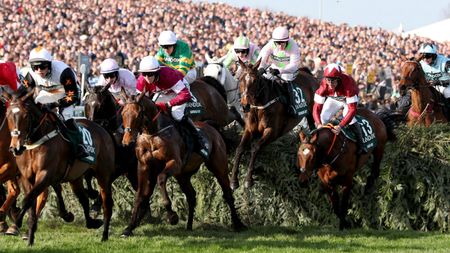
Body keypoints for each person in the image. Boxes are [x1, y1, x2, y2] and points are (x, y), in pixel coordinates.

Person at [136, 56, 208, 159]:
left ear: (156, 72)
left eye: (150, 74)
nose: (147, 77)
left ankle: (199, 140)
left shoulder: (168, 75)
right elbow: (139, 101)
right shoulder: (141, 80)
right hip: (162, 92)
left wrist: (168, 104)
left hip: (179, 91)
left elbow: (185, 94)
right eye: (144, 74)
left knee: (176, 114)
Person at [21, 47, 88, 158]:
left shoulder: (63, 72)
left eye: (42, 66)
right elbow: (27, 95)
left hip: (68, 94)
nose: (39, 70)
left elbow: (73, 95)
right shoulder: (30, 75)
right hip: (48, 93)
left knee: (65, 116)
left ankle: (79, 145)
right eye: (35, 67)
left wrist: (55, 104)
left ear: (49, 64)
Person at [312, 63, 367, 154]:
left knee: (348, 117)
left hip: (348, 99)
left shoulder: (348, 85)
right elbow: (316, 109)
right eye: (328, 80)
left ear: (339, 78)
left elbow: (352, 109)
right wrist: (318, 124)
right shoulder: (323, 86)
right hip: (334, 98)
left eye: (333, 80)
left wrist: (340, 126)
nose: (330, 84)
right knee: (323, 117)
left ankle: (361, 144)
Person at [257, 26, 301, 116]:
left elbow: (294, 65)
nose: (280, 46)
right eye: (278, 43)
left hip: (288, 70)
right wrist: (261, 67)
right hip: (275, 67)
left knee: (285, 79)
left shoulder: (293, 45)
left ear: (287, 41)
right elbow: (262, 57)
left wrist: (280, 70)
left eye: (283, 43)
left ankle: (291, 105)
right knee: (262, 78)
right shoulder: (271, 44)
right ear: (274, 41)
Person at [418, 43, 450, 113]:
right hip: (431, 86)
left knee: (447, 93)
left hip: (447, 86)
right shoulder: (421, 64)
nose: (425, 59)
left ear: (434, 55)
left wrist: (439, 82)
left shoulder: (446, 62)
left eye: (428, 56)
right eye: (423, 56)